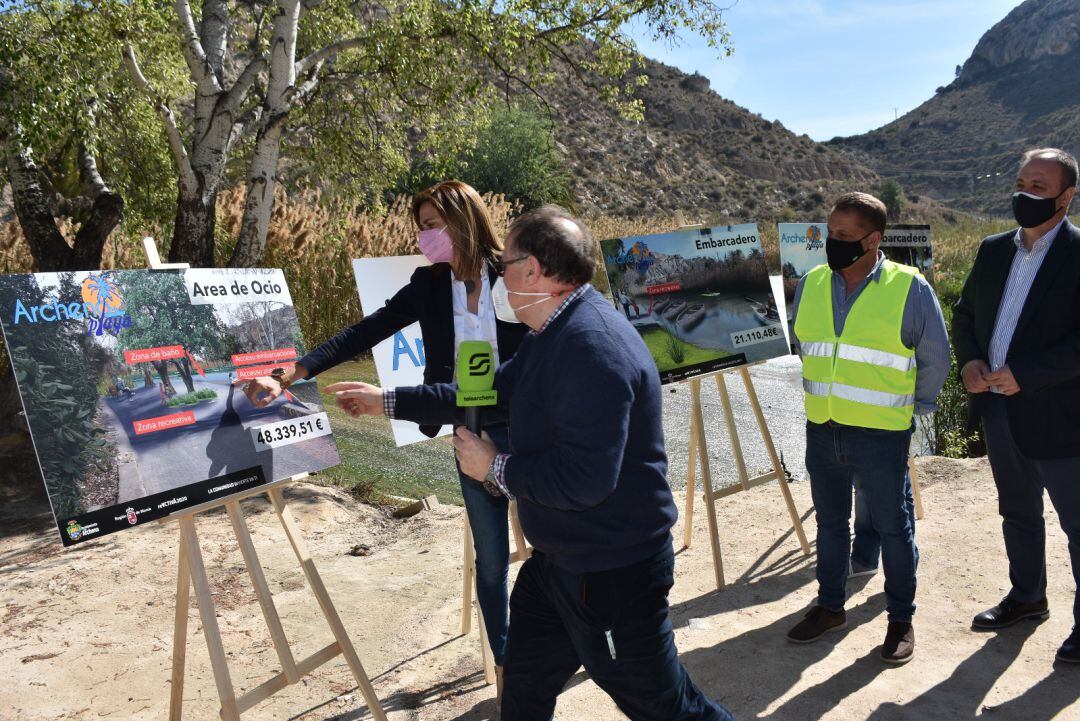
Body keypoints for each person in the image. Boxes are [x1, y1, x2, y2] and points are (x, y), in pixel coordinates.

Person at [328, 206, 736, 721]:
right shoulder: (555, 331)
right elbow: (489, 393)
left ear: (534, 270)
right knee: (523, 684)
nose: (497, 272)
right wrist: (386, 401)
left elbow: (584, 481)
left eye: (507, 260)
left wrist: (494, 467)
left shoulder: (592, 350)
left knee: (667, 707)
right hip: (560, 561)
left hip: (611, 571)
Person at [236, 180, 529, 690]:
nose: (426, 237)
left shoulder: (515, 273)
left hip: (530, 427)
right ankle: (506, 664)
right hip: (470, 434)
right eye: (421, 228)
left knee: (555, 543)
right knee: (491, 560)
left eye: (434, 225)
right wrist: (287, 374)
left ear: (465, 219)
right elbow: (364, 331)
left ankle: (569, 644)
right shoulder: (429, 285)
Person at [788, 192, 950, 664]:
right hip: (823, 427)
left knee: (893, 528)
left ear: (873, 239)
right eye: (829, 233)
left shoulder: (909, 287)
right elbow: (809, 347)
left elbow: (935, 359)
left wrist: (908, 409)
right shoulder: (813, 283)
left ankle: (900, 618)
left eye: (843, 236)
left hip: (880, 434)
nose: (831, 242)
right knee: (831, 524)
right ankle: (830, 607)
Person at [953, 148, 1080, 664]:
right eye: (1022, 182)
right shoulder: (992, 250)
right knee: (1018, 511)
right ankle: (1027, 597)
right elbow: (964, 315)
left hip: (1061, 418)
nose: (1026, 194)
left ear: (1066, 198)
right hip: (999, 411)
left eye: (1040, 186)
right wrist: (971, 363)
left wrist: (1026, 374)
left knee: (1078, 524)